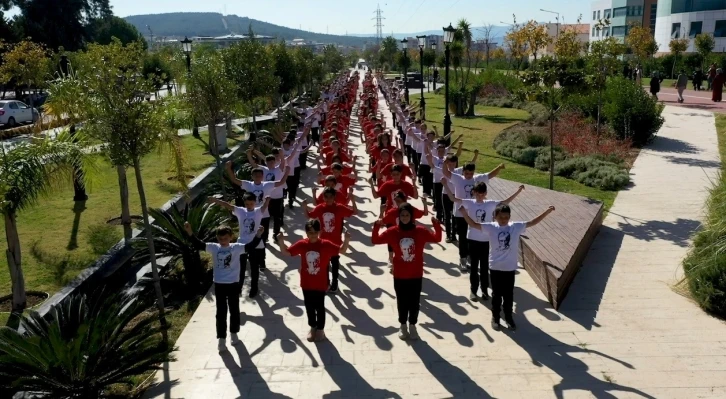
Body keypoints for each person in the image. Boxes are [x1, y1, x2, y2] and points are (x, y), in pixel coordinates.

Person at [461, 203, 555, 331]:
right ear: (495, 217)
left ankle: (509, 317)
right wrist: (464, 213)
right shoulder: (491, 227)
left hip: (509, 268)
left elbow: (533, 222)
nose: (503, 220)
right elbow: (473, 224)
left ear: (510, 216)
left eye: (506, 217)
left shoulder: (515, 227)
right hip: (495, 267)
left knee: (509, 295)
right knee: (496, 294)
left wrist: (547, 212)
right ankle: (495, 317)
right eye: (501, 217)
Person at [184, 222, 264, 352]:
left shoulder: (236, 247)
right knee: (221, 312)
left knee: (234, 310)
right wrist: (189, 231)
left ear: (231, 237)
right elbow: (198, 244)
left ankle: (234, 333)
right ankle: (221, 339)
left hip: (233, 284)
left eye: (226, 238)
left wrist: (258, 235)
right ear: (217, 238)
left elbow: (251, 246)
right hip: (220, 285)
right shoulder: (214, 248)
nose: (223, 241)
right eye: (220, 239)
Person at [443, 181, 524, 301]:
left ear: (485, 193)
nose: (480, 196)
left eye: (482, 194)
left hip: (486, 241)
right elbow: (453, 198)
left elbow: (505, 202)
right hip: (473, 239)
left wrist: (518, 191)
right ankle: (473, 291)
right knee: (474, 267)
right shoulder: (469, 202)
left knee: (485, 267)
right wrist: (445, 185)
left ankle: (485, 290)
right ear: (474, 193)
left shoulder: (490, 203)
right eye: (478, 194)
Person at [371, 204, 442, 340]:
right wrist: (376, 227)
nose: (404, 218)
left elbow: (437, 238)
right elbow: (375, 240)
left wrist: (436, 225)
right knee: (402, 301)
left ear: (412, 216)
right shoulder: (393, 232)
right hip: (400, 274)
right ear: (398, 217)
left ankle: (413, 325)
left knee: (414, 302)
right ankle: (403, 325)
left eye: (407, 215)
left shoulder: (420, 231)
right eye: (402, 215)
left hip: (416, 274)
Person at [277, 219, 351, 342]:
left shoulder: (325, 244)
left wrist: (347, 239)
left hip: (321, 283)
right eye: (310, 232)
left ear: (320, 232)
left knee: (320, 307)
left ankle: (321, 329)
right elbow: (286, 252)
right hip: (306, 283)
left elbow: (342, 250)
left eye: (315, 232)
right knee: (309, 307)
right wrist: (280, 241)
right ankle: (313, 327)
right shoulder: (302, 244)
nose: (313, 234)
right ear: (306, 232)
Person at [442, 161, 505, 271]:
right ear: (463, 172)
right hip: (460, 213)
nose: (468, 176)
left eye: (471, 173)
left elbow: (490, 175)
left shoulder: (477, 179)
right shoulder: (458, 178)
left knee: (471, 238)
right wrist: (445, 163)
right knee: (462, 237)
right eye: (466, 173)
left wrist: (499, 168)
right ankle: (462, 258)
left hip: (474, 214)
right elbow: (445, 172)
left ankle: (470, 257)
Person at [208, 193, 270, 298]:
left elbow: (264, 206)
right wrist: (216, 200)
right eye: (247, 204)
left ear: (255, 202)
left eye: (251, 203)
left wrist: (268, 200)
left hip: (255, 244)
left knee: (255, 268)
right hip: (241, 245)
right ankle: (239, 288)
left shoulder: (259, 211)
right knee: (240, 268)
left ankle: (254, 288)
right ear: (244, 203)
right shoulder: (241, 211)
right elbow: (228, 205)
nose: (249, 205)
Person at [302, 187, 358, 293]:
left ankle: (335, 283)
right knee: (324, 264)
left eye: (330, 197)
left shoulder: (339, 208)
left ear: (334, 197)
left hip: (335, 241)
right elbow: (309, 216)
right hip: (323, 242)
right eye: (326, 197)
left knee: (335, 263)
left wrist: (353, 200)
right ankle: (326, 283)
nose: (328, 199)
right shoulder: (320, 208)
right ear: (323, 197)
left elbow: (355, 212)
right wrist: (304, 207)